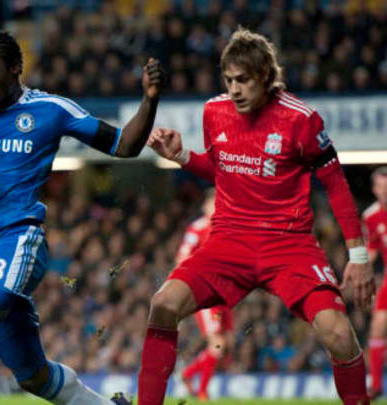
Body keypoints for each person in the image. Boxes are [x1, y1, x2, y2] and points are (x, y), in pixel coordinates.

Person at [0, 28, 163, 405]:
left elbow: (124, 145)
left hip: (18, 236)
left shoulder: (51, 110)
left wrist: (149, 101)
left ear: (15, 68)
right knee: (34, 376)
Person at [143, 27, 373, 405]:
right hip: (229, 240)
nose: (235, 90)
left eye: (244, 80)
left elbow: (336, 186)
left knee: (339, 334)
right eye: (229, 80)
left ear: (266, 76)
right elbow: (223, 169)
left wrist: (359, 256)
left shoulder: (301, 119)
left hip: (289, 244)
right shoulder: (214, 111)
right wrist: (183, 157)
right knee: (163, 304)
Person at [176, 189, 233, 401]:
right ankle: (202, 392)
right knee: (216, 345)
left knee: (226, 344)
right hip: (206, 294)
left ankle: (188, 374)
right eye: (214, 203)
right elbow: (182, 257)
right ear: (205, 206)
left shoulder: (227, 228)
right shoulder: (197, 228)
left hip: (225, 295)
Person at [365, 167, 387, 399]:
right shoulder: (371, 217)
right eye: (381, 186)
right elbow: (371, 250)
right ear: (374, 190)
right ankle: (377, 385)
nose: (385, 191)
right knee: (378, 326)